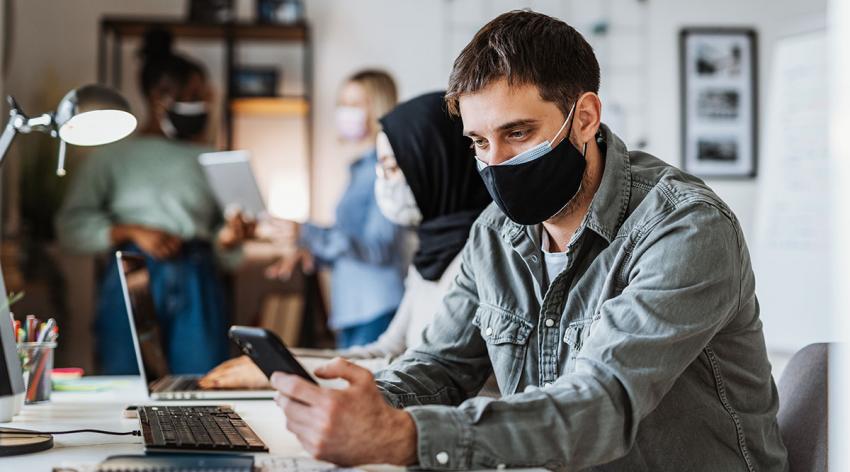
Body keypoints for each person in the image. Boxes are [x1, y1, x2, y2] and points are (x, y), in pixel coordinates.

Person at [265, 11, 788, 471]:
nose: (494, 163)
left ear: (584, 117)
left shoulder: (684, 228)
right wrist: (363, 404)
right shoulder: (495, 232)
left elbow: (600, 405)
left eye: (517, 133)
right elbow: (440, 366)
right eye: (478, 141)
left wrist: (404, 436)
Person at [198, 91, 492, 390]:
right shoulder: (430, 255)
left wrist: (279, 372)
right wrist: (280, 361)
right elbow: (387, 349)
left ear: (433, 164)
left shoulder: (480, 256)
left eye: (391, 169)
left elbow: (421, 372)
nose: (384, 184)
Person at [56, 29, 252, 375]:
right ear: (159, 96)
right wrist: (131, 230)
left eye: (204, 97)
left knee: (202, 384)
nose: (203, 105)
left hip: (198, 275)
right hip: (132, 274)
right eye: (194, 96)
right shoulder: (112, 157)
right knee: (125, 381)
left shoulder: (211, 158)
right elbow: (71, 226)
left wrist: (229, 239)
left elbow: (227, 243)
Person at [266, 70, 411, 349]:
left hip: (376, 307)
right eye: (343, 103)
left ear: (378, 107)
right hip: (352, 309)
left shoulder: (385, 168)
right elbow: (349, 242)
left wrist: (307, 232)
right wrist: (311, 249)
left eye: (355, 104)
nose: (345, 112)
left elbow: (379, 247)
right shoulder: (359, 169)